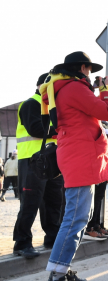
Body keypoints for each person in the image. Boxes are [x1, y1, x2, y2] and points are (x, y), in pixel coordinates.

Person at [41, 51, 108, 281]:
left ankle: (60, 270)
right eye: (89, 70)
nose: (91, 75)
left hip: (77, 156)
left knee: (76, 218)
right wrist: (106, 91)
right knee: (75, 219)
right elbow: (106, 111)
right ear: (82, 68)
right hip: (80, 157)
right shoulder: (74, 88)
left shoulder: (64, 88)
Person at [12, 73, 64, 258]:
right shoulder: (31, 104)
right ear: (44, 86)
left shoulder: (51, 108)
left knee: (53, 200)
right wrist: (60, 130)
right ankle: (22, 242)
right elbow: (35, 129)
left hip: (51, 160)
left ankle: (52, 237)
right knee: (30, 202)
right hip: (32, 160)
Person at [86, 122, 108, 238]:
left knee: (99, 197)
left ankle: (96, 225)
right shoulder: (94, 122)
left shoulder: (105, 124)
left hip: (103, 163)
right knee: (94, 198)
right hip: (95, 163)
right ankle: (90, 227)